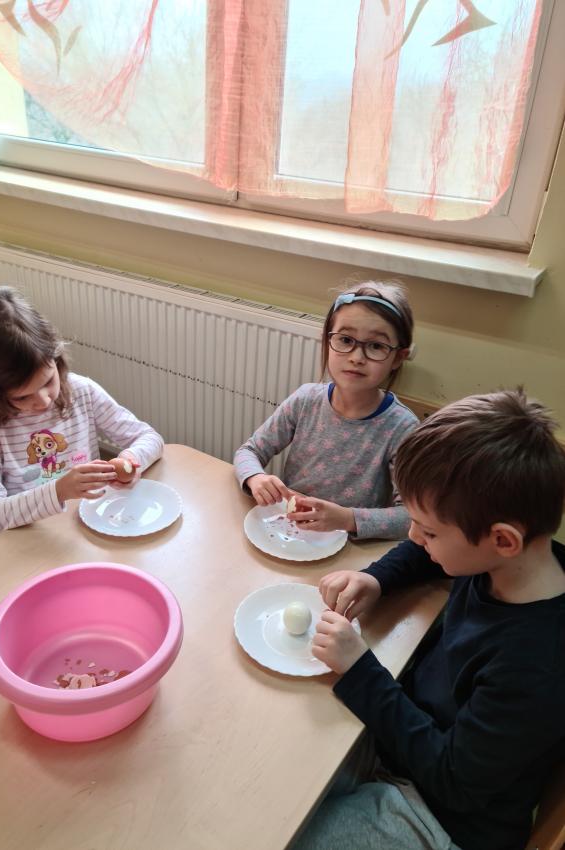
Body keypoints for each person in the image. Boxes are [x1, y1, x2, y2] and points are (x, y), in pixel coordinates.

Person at [295, 390, 565, 850]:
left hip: (442, 815)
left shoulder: (536, 665)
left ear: (503, 540)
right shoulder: (507, 558)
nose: (414, 536)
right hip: (408, 740)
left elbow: (453, 780)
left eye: (430, 531)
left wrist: (359, 670)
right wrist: (375, 579)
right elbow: (425, 554)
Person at [0, 286, 164, 538]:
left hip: (85, 528)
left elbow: (150, 438)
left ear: (56, 359)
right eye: (22, 396)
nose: (44, 400)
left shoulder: (80, 390)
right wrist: (59, 491)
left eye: (48, 381)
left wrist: (131, 460)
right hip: (29, 539)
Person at [234, 281, 417, 539]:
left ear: (398, 358)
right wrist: (256, 478)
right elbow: (248, 451)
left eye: (376, 346)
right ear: (328, 341)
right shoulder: (305, 400)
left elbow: (411, 517)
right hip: (291, 534)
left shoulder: (403, 428)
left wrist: (346, 518)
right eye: (345, 340)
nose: (356, 357)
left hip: (352, 548)